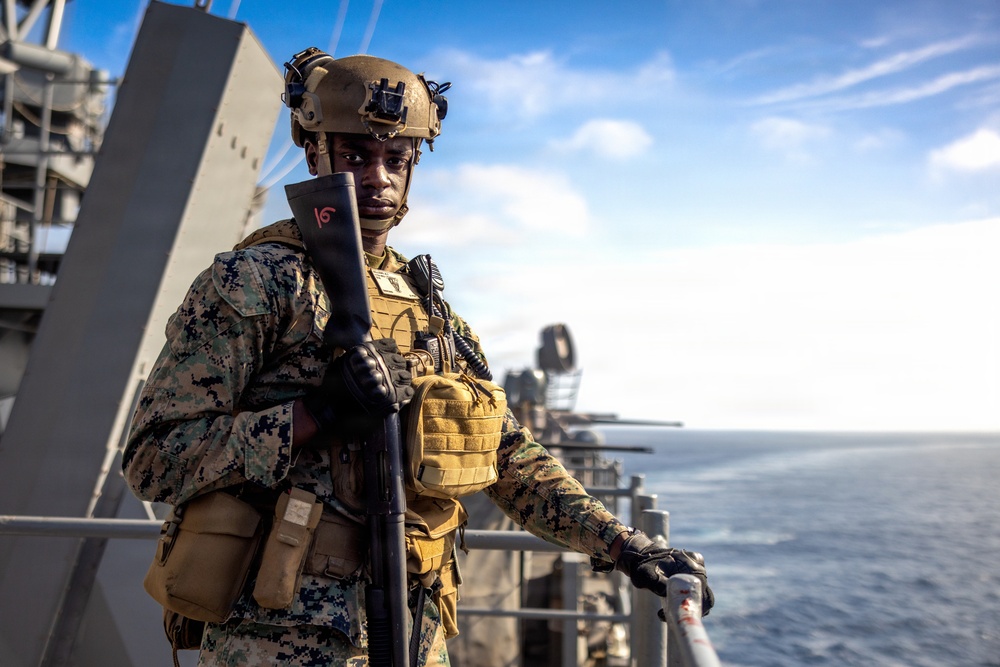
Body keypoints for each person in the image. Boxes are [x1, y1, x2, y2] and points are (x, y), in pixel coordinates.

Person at [123, 47, 713, 666]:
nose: (378, 177)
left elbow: (506, 454)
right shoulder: (256, 284)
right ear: (313, 150)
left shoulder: (427, 306)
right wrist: (314, 415)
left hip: (411, 630)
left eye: (396, 159)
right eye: (356, 155)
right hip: (278, 640)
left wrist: (624, 547)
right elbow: (154, 459)